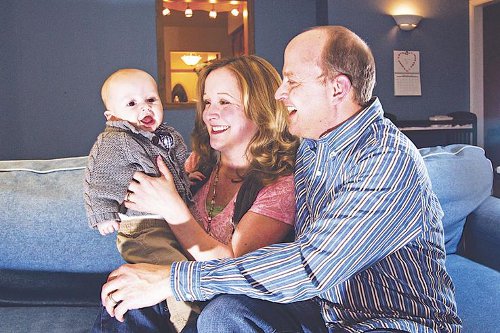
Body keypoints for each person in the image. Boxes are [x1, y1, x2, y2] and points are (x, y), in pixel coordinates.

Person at [98, 26, 462, 332]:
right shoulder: (311, 149)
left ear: (338, 88)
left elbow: (310, 267)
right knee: (219, 313)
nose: (279, 92)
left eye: (291, 81)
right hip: (323, 314)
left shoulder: (386, 160)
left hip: (387, 322)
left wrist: (171, 279)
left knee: (212, 306)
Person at [91, 55, 300, 332]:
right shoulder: (195, 165)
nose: (210, 113)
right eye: (208, 101)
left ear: (260, 108)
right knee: (125, 295)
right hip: (170, 290)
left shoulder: (280, 186)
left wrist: (173, 209)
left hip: (225, 304)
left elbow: (234, 265)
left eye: (224, 102)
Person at [84, 68, 198, 331]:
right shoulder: (115, 141)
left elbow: (174, 166)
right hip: (142, 229)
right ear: (112, 115)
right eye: (132, 104)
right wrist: (102, 213)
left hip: (166, 222)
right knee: (173, 268)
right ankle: (187, 318)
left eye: (151, 100)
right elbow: (98, 178)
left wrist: (187, 178)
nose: (144, 108)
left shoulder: (167, 137)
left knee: (183, 262)